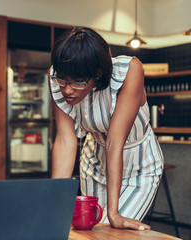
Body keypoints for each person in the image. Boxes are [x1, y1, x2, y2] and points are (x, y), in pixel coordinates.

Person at [49, 26, 164, 230]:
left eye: (77, 82)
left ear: (98, 74)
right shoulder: (55, 78)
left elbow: (114, 141)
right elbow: (65, 141)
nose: (66, 89)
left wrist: (114, 213)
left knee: (112, 230)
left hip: (139, 167)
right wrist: (55, 205)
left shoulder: (129, 71)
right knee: (90, 232)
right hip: (94, 163)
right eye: (62, 79)